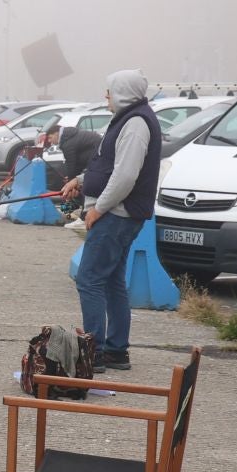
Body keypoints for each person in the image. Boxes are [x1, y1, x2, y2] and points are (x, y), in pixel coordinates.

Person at [57, 69, 162, 371]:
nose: (106, 96)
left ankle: (94, 353)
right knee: (112, 280)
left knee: (89, 279)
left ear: (123, 92)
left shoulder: (136, 124)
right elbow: (107, 165)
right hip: (118, 213)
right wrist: (80, 180)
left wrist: (98, 208)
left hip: (117, 215)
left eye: (110, 91)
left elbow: (125, 176)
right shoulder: (126, 119)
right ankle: (116, 350)